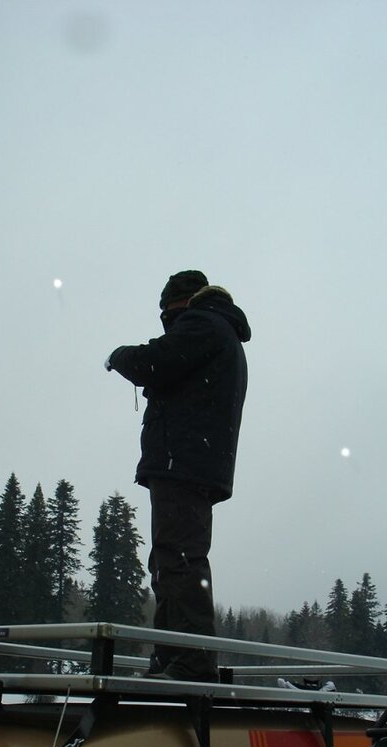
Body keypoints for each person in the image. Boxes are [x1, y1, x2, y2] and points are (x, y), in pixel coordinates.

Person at [105, 270, 251, 681]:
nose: (167, 322)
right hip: (192, 463)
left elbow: (154, 361)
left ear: (183, 303)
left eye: (168, 312)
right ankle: (172, 656)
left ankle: (191, 661)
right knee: (171, 561)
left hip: (182, 462)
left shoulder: (203, 323)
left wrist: (119, 355)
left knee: (179, 561)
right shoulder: (219, 331)